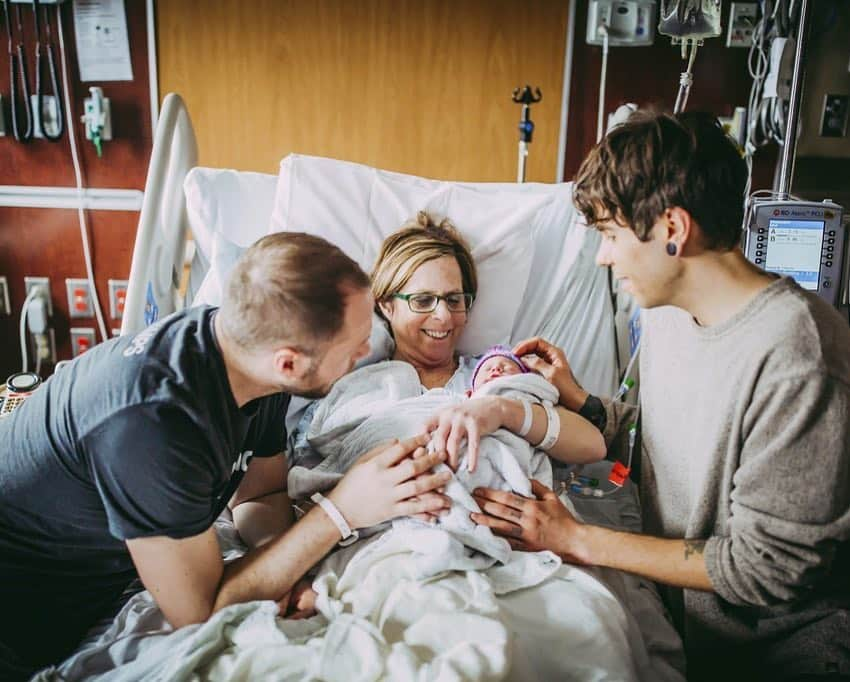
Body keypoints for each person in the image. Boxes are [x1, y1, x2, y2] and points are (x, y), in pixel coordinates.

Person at [469, 110, 850, 681]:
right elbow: (667, 441)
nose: (603, 256)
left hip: (780, 649)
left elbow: (766, 569)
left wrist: (576, 539)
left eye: (611, 235)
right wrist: (584, 403)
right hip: (685, 621)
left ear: (672, 228)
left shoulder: (799, 358)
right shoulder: (670, 312)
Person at [0, 232, 452, 680]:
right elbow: (199, 613)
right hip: (23, 628)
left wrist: (285, 569)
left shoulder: (251, 358)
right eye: (351, 347)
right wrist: (341, 510)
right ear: (289, 362)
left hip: (98, 581)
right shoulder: (154, 427)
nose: (366, 350)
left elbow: (261, 491)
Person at [370, 210, 606, 472]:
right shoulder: (360, 388)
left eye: (453, 300)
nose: (444, 315)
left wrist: (502, 410)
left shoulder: (498, 373)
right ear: (387, 306)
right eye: (423, 300)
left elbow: (592, 444)